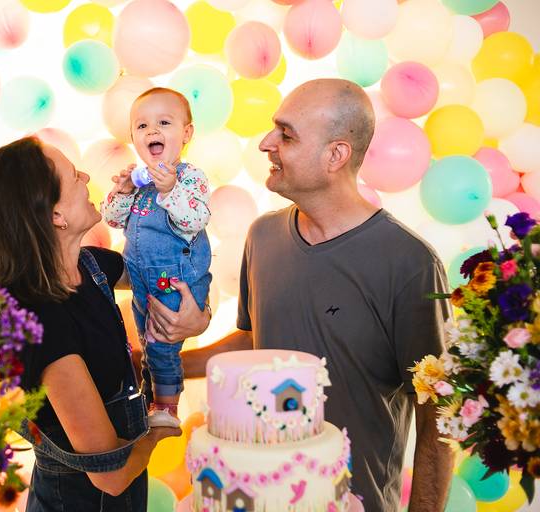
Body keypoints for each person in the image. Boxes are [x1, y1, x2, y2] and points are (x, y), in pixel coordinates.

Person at [149, 79, 453, 511]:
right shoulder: (263, 236)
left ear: (336, 155)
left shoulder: (411, 263)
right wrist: (158, 365)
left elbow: (438, 415)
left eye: (286, 135)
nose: (266, 143)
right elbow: (259, 344)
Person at [0, 137, 210, 511]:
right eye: (73, 174)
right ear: (55, 215)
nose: (85, 176)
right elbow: (110, 476)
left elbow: (164, 277)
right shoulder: (40, 324)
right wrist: (156, 431)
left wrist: (198, 317)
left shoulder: (92, 266)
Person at [101, 88, 212, 429]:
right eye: (142, 126)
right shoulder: (138, 182)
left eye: (164, 123)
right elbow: (112, 219)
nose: (152, 130)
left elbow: (195, 220)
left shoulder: (189, 177)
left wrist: (171, 189)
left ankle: (167, 406)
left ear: (186, 133)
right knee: (145, 342)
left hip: (174, 281)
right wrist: (122, 192)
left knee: (163, 343)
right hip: (141, 281)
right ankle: (149, 396)